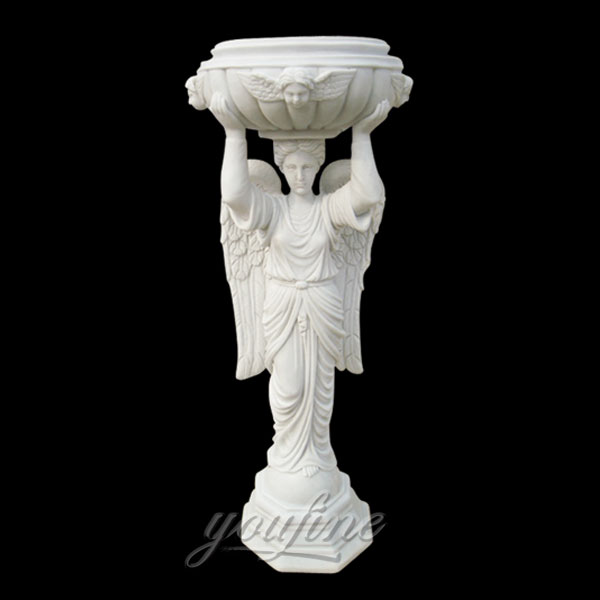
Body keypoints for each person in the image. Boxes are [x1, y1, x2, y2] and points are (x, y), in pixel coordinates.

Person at [210, 93, 390, 477]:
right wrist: (233, 134)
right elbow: (235, 195)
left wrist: (362, 135)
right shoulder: (273, 208)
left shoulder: (328, 208)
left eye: (308, 166)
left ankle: (317, 454)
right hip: (283, 302)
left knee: (320, 386)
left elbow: (368, 195)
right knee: (289, 387)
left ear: (318, 165)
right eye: (292, 167)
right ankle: (287, 455)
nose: (300, 175)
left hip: (322, 301)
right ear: (282, 167)